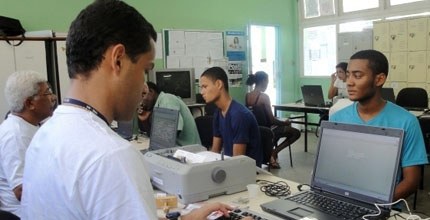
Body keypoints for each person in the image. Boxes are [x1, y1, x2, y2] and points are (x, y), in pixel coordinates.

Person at [21, 1, 241, 219]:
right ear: (118, 60)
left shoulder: (45, 135)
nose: (144, 86)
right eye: (145, 70)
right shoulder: (111, 156)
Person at [330, 49, 428, 201]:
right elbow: (330, 165)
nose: (349, 82)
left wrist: (375, 203)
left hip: (381, 205)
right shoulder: (337, 118)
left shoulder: (407, 122)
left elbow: (411, 181)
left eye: (357, 75)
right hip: (340, 199)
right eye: (348, 75)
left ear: (379, 79)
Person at [0, 71, 56, 217]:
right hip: (23, 214)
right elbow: (21, 190)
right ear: (30, 103)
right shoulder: (14, 135)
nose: (53, 97)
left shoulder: (31, 126)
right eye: (47, 93)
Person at [199, 66, 263, 167]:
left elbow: (237, 162)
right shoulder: (218, 113)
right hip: (232, 166)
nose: (201, 92)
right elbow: (215, 152)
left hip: (248, 172)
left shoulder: (239, 115)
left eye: (205, 87)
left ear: (219, 84)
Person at [245, 71, 301, 169]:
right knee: (296, 133)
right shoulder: (264, 97)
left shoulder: (247, 96)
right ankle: (274, 152)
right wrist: (284, 122)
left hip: (256, 129)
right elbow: (271, 120)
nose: (267, 84)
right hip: (267, 130)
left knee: (280, 128)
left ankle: (271, 153)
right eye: (267, 81)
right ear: (263, 81)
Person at [137, 81, 201, 145]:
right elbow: (154, 137)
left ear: (151, 91)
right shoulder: (156, 107)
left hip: (188, 151)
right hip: (176, 149)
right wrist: (145, 121)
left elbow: (170, 135)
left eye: (142, 95)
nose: (140, 102)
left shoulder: (167, 100)